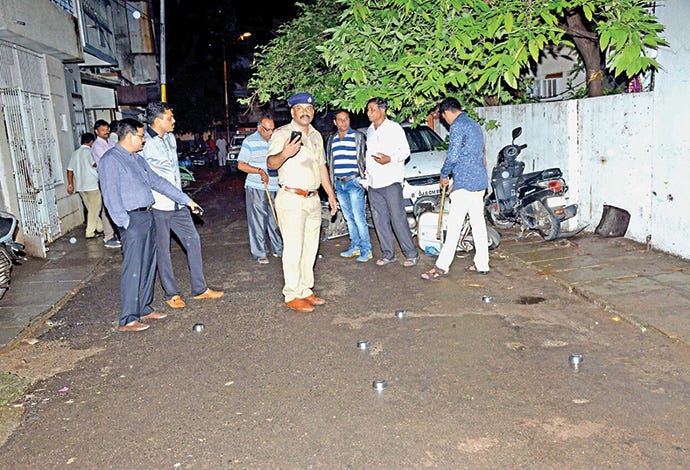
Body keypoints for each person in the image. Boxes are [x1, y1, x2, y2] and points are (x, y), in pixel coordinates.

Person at [98, 119, 203, 332]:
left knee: (147, 266)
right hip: (131, 220)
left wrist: (187, 200)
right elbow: (110, 197)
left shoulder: (137, 159)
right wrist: (124, 223)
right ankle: (128, 318)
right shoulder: (111, 160)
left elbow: (158, 182)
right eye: (141, 136)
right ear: (129, 136)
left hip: (148, 215)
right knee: (133, 269)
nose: (144, 140)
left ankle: (144, 308)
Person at [141, 101, 224, 309]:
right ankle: (172, 294)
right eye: (169, 118)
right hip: (158, 205)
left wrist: (184, 198)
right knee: (163, 251)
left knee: (193, 241)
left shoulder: (170, 138)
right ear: (157, 120)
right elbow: (147, 178)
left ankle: (200, 289)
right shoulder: (144, 143)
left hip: (178, 203)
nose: (174, 121)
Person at [267, 92, 337, 313]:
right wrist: (285, 153)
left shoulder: (316, 136)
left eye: (309, 108)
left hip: (313, 199)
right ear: (292, 112)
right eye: (300, 109)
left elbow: (322, 167)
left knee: (310, 248)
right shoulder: (282, 134)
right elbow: (271, 163)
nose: (305, 112)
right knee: (294, 248)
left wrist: (331, 195)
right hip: (291, 199)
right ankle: (292, 294)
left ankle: (306, 289)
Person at [421, 97, 490, 280]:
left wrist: (444, 175)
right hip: (479, 181)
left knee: (454, 226)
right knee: (478, 224)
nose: (445, 121)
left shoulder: (457, 126)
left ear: (446, 113)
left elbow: (453, 155)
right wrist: (455, 180)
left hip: (465, 184)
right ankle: (482, 263)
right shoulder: (474, 124)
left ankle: (441, 266)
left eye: (444, 118)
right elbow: (477, 155)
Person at [364, 97, 419, 267]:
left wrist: (390, 159)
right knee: (379, 220)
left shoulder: (394, 128)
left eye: (372, 109)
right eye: (368, 110)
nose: (369, 113)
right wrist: (367, 178)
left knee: (398, 218)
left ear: (382, 110)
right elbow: (368, 156)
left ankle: (411, 253)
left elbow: (405, 152)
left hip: (390, 181)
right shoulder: (370, 130)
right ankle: (388, 254)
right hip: (373, 183)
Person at [325, 110, 371, 262]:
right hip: (339, 183)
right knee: (349, 218)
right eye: (340, 119)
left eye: (346, 119)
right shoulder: (331, 140)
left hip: (354, 182)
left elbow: (364, 158)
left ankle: (366, 250)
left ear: (349, 120)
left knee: (359, 217)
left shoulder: (357, 136)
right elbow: (330, 163)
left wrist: (364, 179)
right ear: (335, 122)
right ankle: (355, 246)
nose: (343, 122)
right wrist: (332, 186)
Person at [237, 117, 283, 264]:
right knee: (258, 221)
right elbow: (241, 165)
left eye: (272, 129)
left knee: (276, 220)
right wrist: (259, 171)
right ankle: (260, 253)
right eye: (267, 130)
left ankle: (278, 249)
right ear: (259, 128)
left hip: (276, 186)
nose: (270, 133)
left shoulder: (276, 140)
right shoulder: (249, 141)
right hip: (256, 186)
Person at [66, 132, 103, 239]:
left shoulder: (75, 154)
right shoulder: (91, 152)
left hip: (81, 186)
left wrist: (70, 184)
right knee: (95, 210)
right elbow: (95, 164)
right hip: (92, 185)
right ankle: (90, 232)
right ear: (91, 142)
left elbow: (69, 170)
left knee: (91, 209)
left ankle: (100, 227)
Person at [91, 119, 121, 248]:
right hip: (106, 178)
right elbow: (111, 159)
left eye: (107, 129)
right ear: (96, 131)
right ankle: (108, 236)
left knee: (116, 204)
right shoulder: (97, 146)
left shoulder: (111, 142)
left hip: (115, 177)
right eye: (103, 130)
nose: (106, 132)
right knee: (107, 206)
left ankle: (116, 233)